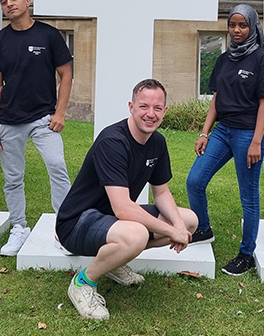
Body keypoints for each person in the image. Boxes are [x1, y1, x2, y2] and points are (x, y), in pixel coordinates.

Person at [56, 79, 197, 320]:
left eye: (157, 108)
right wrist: (171, 231)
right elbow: (122, 208)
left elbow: (161, 192)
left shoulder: (157, 143)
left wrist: (178, 226)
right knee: (136, 235)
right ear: (131, 107)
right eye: (144, 106)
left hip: (111, 220)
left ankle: (115, 260)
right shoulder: (113, 141)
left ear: (164, 111)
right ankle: (82, 284)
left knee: (189, 220)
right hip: (77, 222)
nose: (150, 114)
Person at [185, 4, 264, 276]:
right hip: (223, 132)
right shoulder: (224, 59)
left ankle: (246, 254)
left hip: (248, 134)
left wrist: (257, 141)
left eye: (242, 25)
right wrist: (204, 132)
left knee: (248, 198)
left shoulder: (262, 60)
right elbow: (216, 99)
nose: (236, 30)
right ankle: (203, 228)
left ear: (252, 27)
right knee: (195, 181)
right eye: (232, 25)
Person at [0, 0, 73, 256]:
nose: (9, 3)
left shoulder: (49, 35)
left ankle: (65, 226)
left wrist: (60, 113)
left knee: (57, 166)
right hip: (10, 121)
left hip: (43, 119)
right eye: (3, 1)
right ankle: (19, 227)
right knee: (13, 178)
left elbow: (66, 74)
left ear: (27, 0)